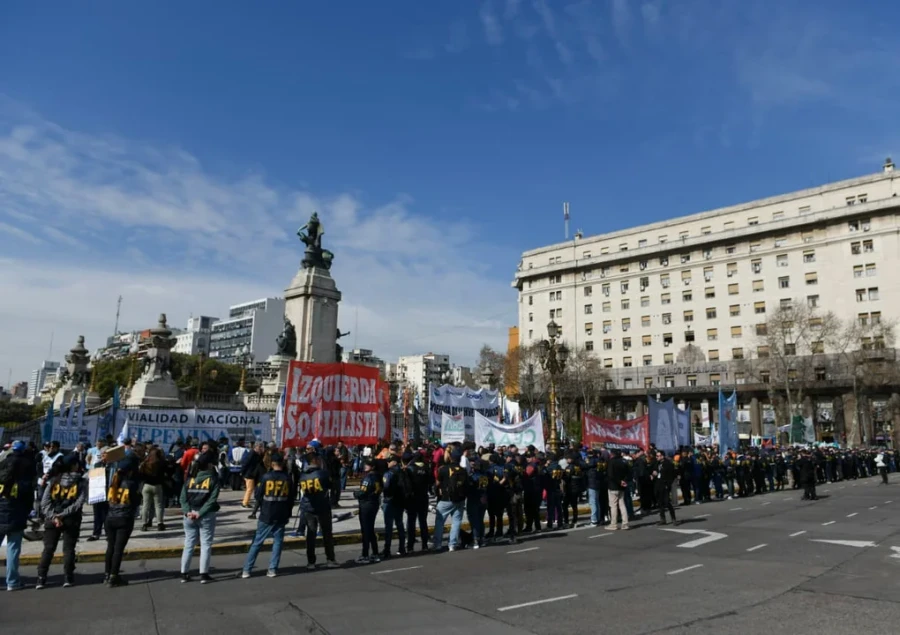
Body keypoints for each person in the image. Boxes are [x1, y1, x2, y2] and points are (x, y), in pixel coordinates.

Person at [37, 453, 87, 589]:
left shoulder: (53, 481)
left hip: (52, 520)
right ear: (73, 466)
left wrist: (54, 516)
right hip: (71, 519)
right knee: (69, 549)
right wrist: (62, 515)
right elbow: (78, 503)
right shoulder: (81, 482)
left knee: (48, 549)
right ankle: (68, 577)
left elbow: (45, 503)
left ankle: (41, 578)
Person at [243, 452, 296, 577]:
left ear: (272, 464)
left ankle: (247, 570)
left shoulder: (266, 477)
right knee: (277, 543)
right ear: (282, 464)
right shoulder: (287, 478)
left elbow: (258, 495)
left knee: (257, 542)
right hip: (281, 513)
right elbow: (291, 498)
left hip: (266, 513)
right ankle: (272, 569)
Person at [179, 451, 220, 584]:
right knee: (206, 544)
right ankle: (204, 574)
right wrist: (200, 513)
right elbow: (212, 500)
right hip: (206, 515)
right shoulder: (213, 480)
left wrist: (187, 512)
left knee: (189, 544)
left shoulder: (190, 479)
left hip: (189, 516)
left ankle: (184, 573)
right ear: (209, 465)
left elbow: (183, 498)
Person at [0, 441, 35, 591]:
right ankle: (12, 582)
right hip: (16, 515)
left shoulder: (2, 471)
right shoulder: (25, 477)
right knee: (13, 549)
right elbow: (29, 500)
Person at [297, 451, 339, 570]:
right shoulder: (323, 473)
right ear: (315, 461)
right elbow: (332, 485)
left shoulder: (303, 475)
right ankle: (330, 559)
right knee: (327, 534)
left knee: (311, 535)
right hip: (322, 507)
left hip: (308, 507)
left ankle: (311, 562)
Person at [105, 455, 142, 587]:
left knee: (110, 546)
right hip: (124, 518)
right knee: (118, 549)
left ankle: (107, 574)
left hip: (110, 517)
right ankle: (114, 576)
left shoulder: (113, 482)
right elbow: (136, 501)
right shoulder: (131, 484)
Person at [433, 449, 468, 552]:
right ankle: (452, 544)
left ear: (450, 457)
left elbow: (437, 483)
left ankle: (438, 544)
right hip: (459, 500)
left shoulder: (443, 469)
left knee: (440, 522)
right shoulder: (463, 470)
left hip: (445, 499)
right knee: (456, 522)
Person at [354, 459, 381, 563]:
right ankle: (375, 553)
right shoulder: (378, 476)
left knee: (365, 531)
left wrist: (355, 494)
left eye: (368, 465)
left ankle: (365, 555)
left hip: (366, 505)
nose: (365, 466)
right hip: (374, 503)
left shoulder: (368, 478)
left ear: (372, 467)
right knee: (370, 529)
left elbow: (362, 492)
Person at [403, 450, 431, 553]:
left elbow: (406, 485)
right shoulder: (426, 468)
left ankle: (410, 546)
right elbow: (430, 482)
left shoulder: (410, 469)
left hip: (412, 498)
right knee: (423, 522)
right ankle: (425, 545)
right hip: (423, 497)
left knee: (411, 522)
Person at [380, 454, 407, 558]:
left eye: (389, 461)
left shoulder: (388, 473)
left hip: (389, 501)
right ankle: (402, 548)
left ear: (394, 462)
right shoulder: (403, 471)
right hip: (400, 501)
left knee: (389, 526)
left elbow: (385, 487)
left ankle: (387, 549)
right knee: (400, 524)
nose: (387, 463)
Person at [139, 447, 167, 531]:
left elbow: (140, 474)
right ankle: (160, 523)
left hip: (146, 485)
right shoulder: (161, 463)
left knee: (145, 506)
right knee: (158, 506)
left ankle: (144, 524)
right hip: (158, 486)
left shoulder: (145, 463)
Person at [606, 449, 630, 531]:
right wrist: (624, 481)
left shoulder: (611, 462)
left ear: (612, 454)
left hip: (613, 486)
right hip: (622, 486)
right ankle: (625, 523)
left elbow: (610, 475)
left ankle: (613, 524)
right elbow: (629, 473)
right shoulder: (624, 461)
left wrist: (619, 481)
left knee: (613, 506)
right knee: (622, 504)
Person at [653, 450, 678, 526]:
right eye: (656, 456)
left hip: (665, 485)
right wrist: (653, 473)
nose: (656, 457)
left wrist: (668, 484)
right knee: (660, 503)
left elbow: (672, 475)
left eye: (658, 456)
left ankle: (673, 519)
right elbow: (653, 470)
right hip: (658, 484)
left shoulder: (668, 464)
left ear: (662, 456)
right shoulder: (657, 463)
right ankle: (662, 519)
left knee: (667, 502)